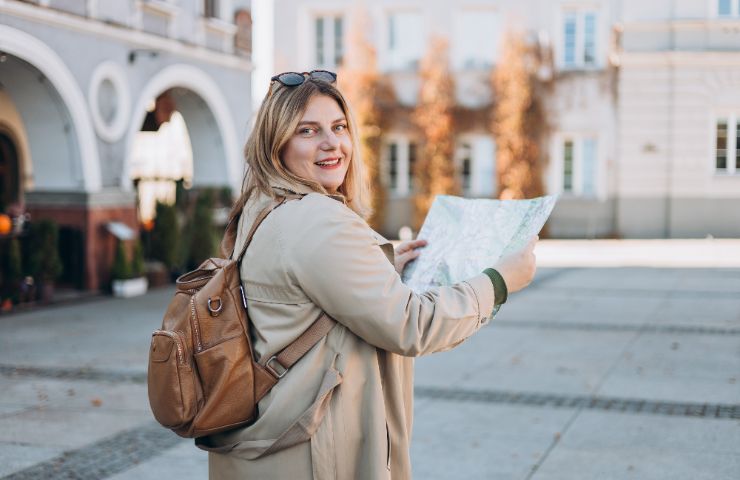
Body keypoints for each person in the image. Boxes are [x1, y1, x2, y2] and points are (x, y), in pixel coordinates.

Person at [201, 70, 537, 479]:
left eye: (339, 127)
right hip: (315, 453)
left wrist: (381, 266)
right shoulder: (319, 220)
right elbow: (413, 326)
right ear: (277, 144)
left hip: (268, 452)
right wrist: (499, 282)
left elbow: (298, 289)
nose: (332, 144)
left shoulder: (262, 206)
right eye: (308, 131)